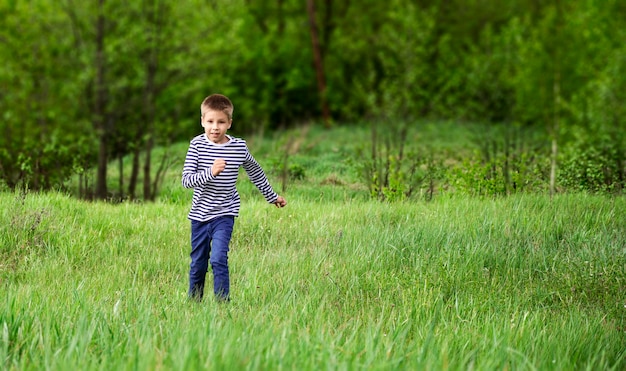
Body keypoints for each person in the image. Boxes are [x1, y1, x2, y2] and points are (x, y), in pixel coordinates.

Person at [182, 93, 287, 302]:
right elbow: (186, 181)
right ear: (202, 121)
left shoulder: (238, 147)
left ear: (229, 123)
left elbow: (255, 171)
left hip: (225, 213)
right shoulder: (197, 145)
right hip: (200, 216)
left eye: (221, 122)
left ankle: (223, 305)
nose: (215, 127)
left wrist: (272, 196)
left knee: (219, 258)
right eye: (210, 121)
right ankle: (194, 303)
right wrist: (210, 172)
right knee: (198, 263)